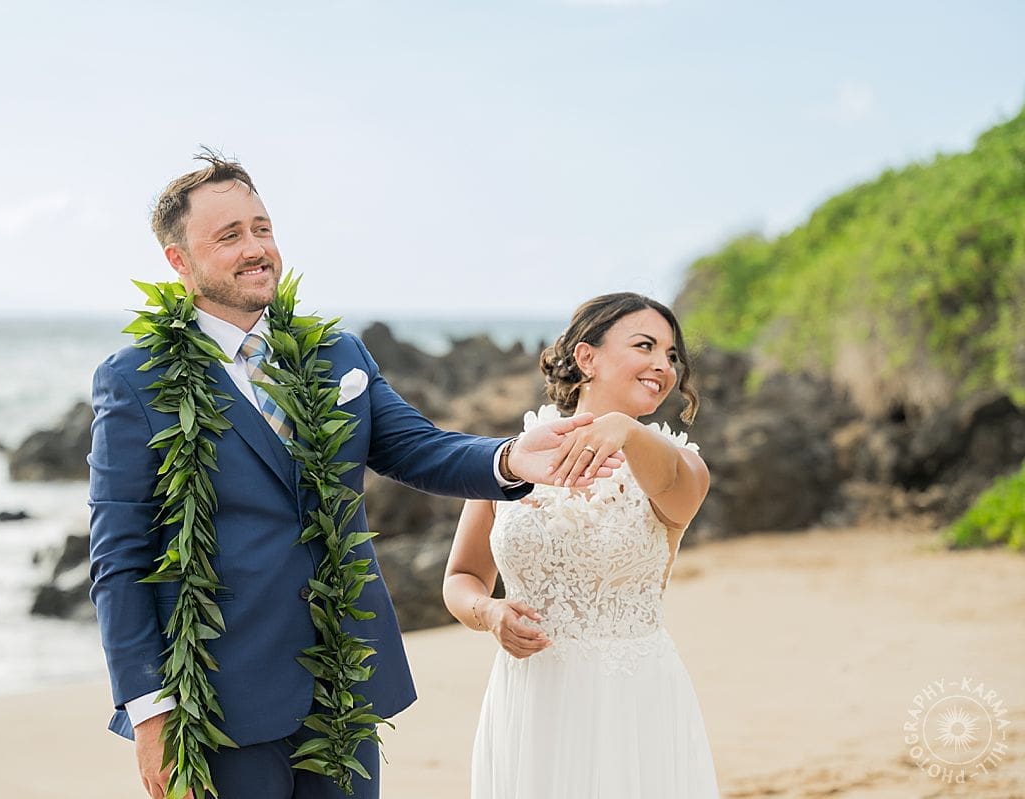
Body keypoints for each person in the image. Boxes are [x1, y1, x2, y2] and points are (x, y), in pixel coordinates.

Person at [88, 151, 622, 799]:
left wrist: (507, 459)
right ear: (180, 262)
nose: (256, 247)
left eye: (262, 227)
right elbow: (119, 556)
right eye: (229, 236)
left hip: (342, 680)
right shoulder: (135, 379)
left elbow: (416, 448)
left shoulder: (338, 354)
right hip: (221, 697)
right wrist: (150, 710)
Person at [443, 292, 720, 798]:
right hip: (529, 697)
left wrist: (625, 430)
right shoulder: (513, 459)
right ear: (586, 357)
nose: (663, 365)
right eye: (645, 346)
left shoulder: (684, 466)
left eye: (672, 355)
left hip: (631, 701)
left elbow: (669, 483)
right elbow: (461, 577)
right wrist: (490, 613)